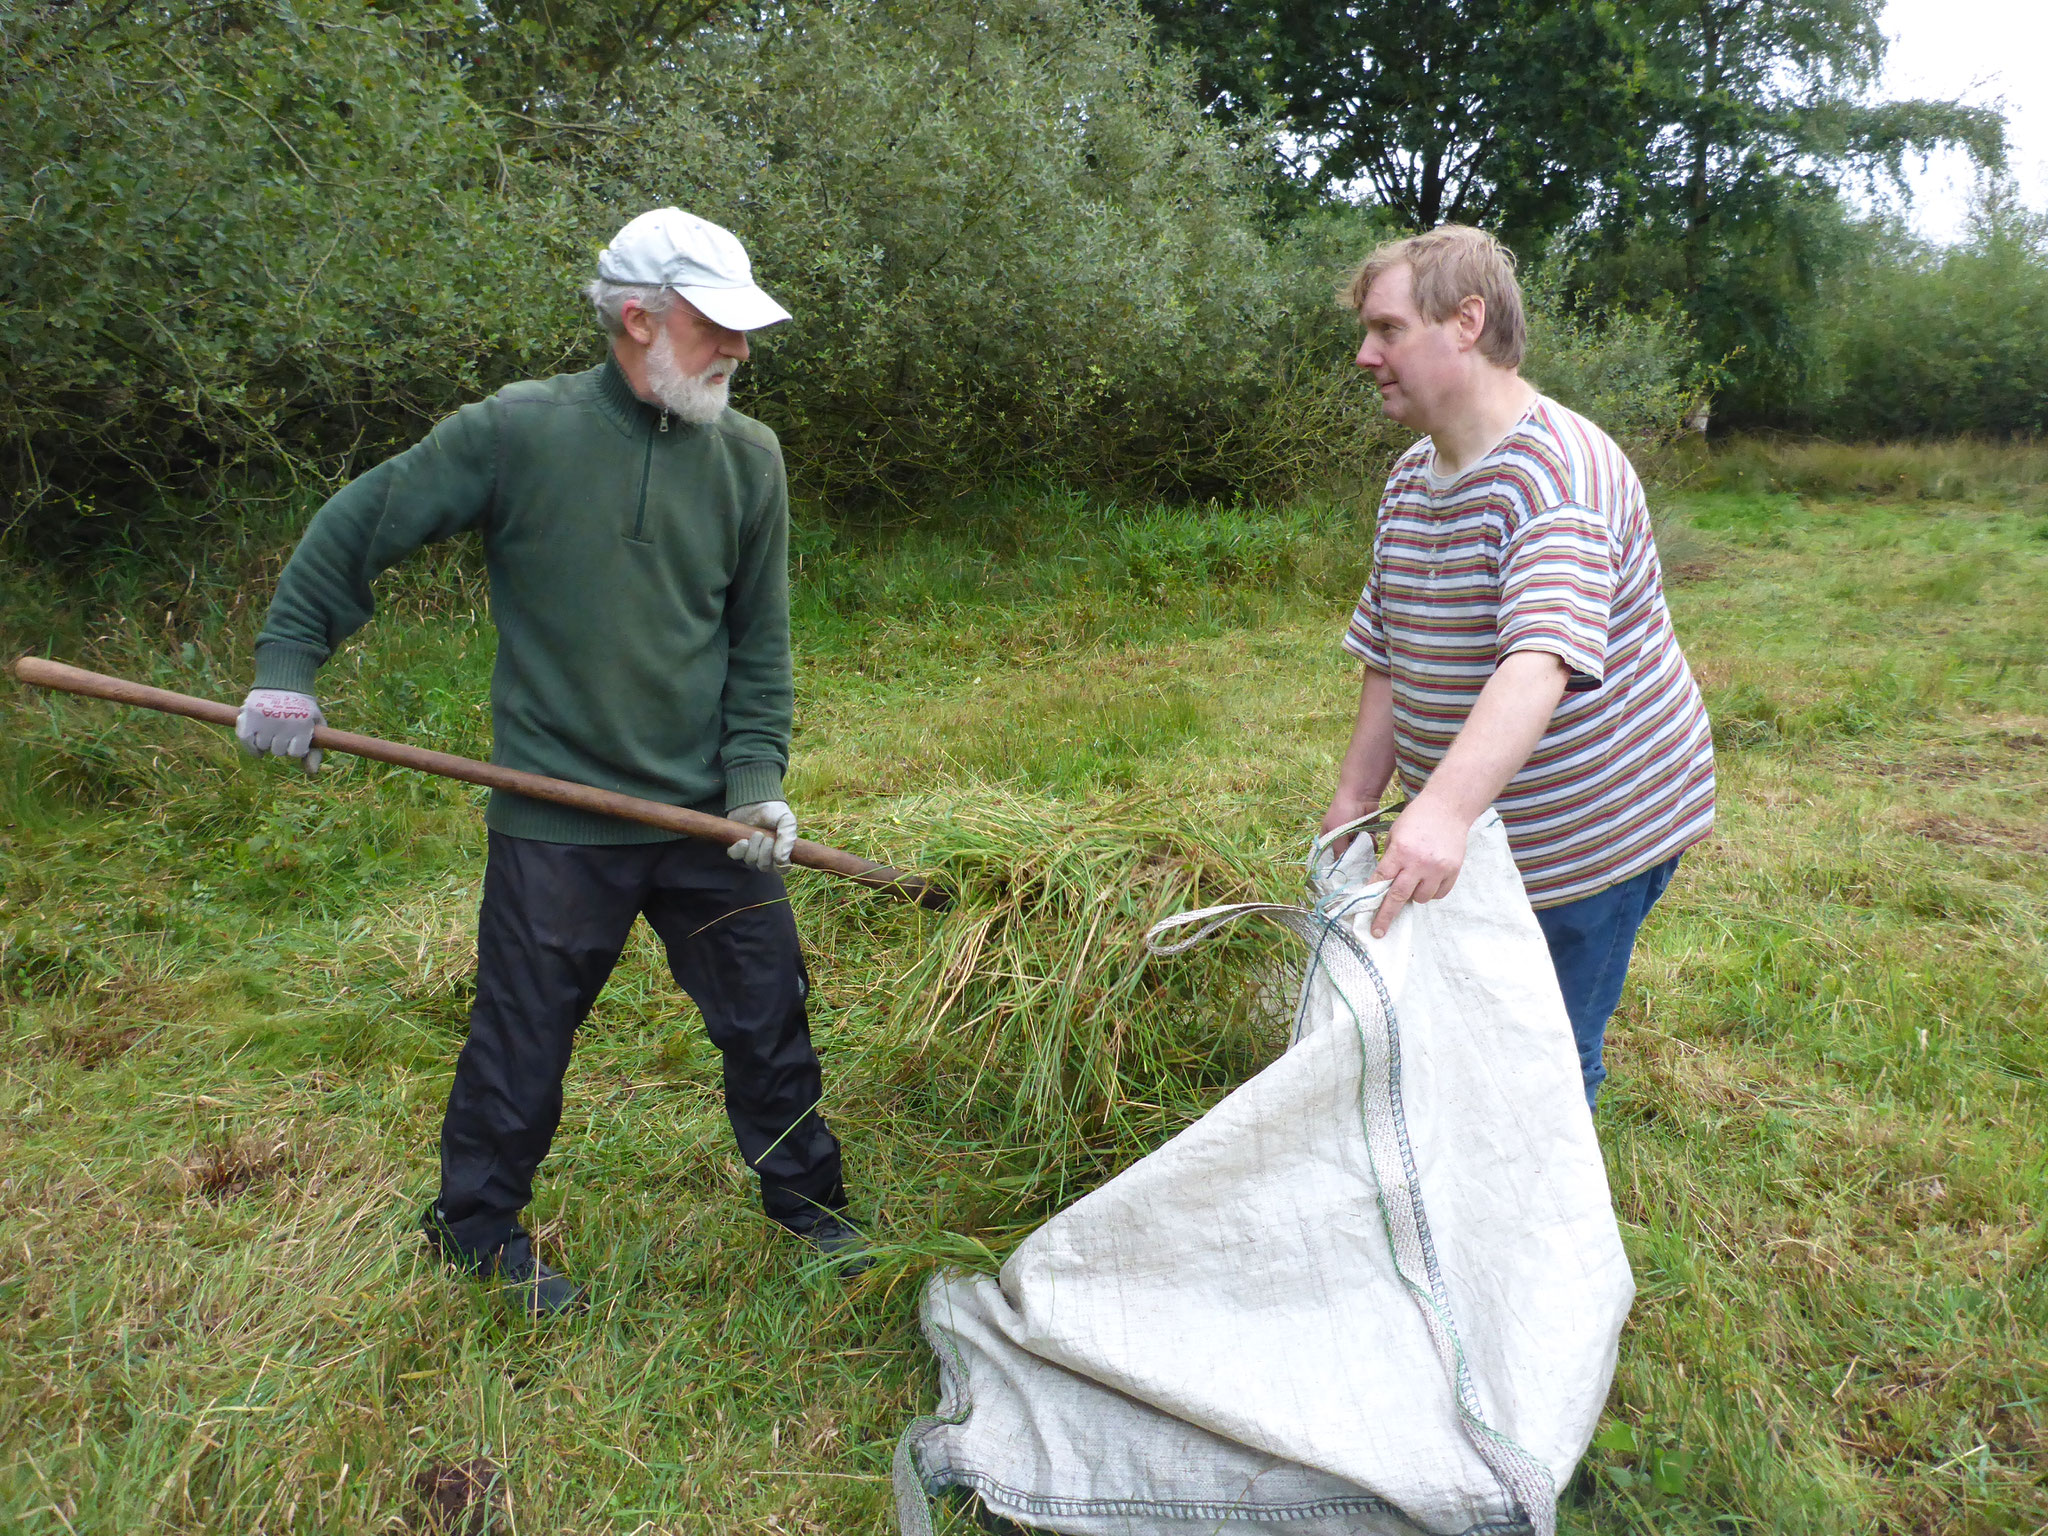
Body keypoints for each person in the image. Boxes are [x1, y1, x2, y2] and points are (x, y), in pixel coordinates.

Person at [235, 208, 865, 1314]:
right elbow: (357, 523)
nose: (738, 351)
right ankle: (474, 1231)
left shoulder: (748, 461)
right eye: (715, 327)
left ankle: (811, 1208)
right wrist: (289, 666)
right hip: (556, 816)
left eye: (743, 330)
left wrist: (757, 782)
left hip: (704, 820)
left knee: (769, 1015)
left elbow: (757, 647)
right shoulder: (516, 432)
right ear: (636, 317)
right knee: (521, 1036)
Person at [1322, 225, 1715, 1112]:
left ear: (1466, 322)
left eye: (1386, 330)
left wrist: (1443, 813)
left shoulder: (1557, 474)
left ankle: (1546, 1235)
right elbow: (1388, 649)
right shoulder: (1413, 476)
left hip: (1596, 832)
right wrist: (1357, 800)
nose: (1364, 354)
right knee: (1468, 1013)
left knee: (1540, 1048)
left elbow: (1541, 658)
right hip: (1493, 829)